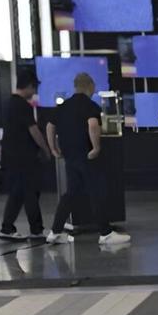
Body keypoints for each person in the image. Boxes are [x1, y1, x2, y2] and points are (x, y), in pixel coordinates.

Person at [45, 73, 130, 246]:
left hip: (70, 156)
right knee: (97, 191)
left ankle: (55, 232)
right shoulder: (90, 106)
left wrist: (53, 148)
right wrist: (96, 147)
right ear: (90, 86)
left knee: (71, 193)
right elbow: (92, 125)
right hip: (86, 156)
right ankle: (105, 233)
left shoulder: (63, 106)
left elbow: (49, 126)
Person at [0, 74, 51, 241]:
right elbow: (33, 130)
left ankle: (7, 228)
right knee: (30, 192)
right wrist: (45, 149)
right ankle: (36, 230)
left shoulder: (9, 103)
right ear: (28, 86)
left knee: (18, 192)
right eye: (34, 88)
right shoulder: (23, 106)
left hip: (11, 155)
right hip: (25, 157)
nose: (34, 92)